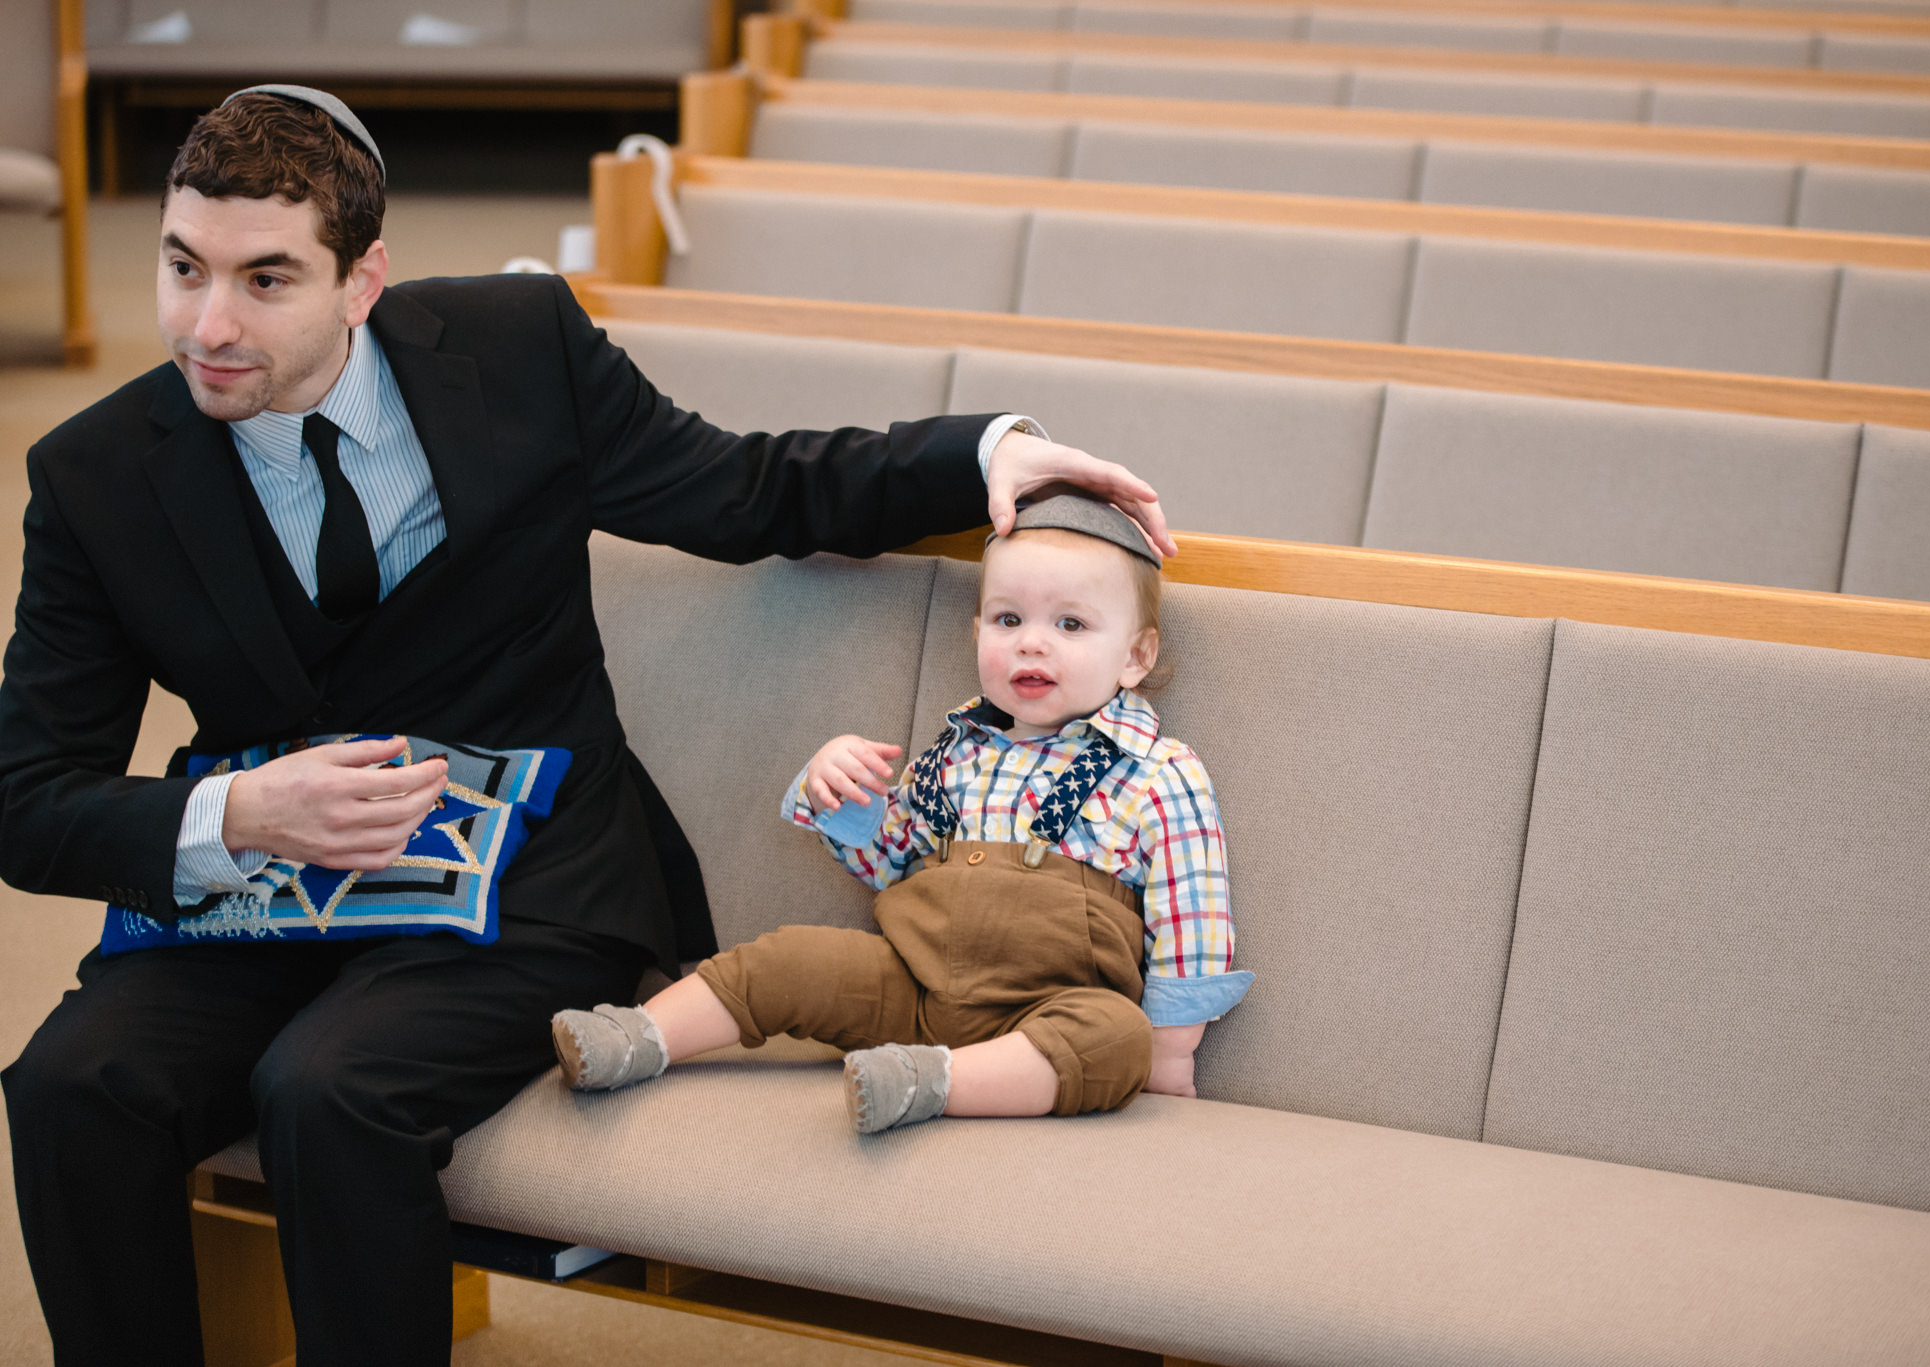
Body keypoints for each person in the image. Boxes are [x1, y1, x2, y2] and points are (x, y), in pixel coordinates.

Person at [0, 87, 1177, 1367]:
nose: (206, 324)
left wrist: (982, 452)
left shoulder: (518, 348)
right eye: (181, 268)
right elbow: (29, 797)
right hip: (267, 888)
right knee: (72, 1087)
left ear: (361, 280)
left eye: (264, 279)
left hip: (527, 881)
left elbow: (741, 488)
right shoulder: (93, 472)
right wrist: (236, 813)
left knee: (329, 1088)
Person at [551, 493, 1252, 1132]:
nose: (1032, 642)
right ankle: (638, 1036)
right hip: (910, 985)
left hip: (1047, 1008)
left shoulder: (1159, 770)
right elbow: (892, 864)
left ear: (1135, 656)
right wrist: (842, 793)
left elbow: (1192, 909)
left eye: (1071, 623)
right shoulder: (955, 754)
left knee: (1112, 1036)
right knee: (788, 957)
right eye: (1009, 619)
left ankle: (928, 1083)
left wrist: (1170, 1053)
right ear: (978, 630)